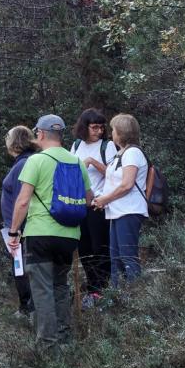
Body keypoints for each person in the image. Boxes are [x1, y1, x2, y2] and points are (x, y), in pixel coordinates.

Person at [7, 115, 92, 347]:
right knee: (60, 286)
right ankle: (65, 339)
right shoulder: (76, 162)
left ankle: (47, 346)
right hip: (69, 235)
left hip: (40, 235)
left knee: (42, 289)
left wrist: (13, 233)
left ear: (41, 134)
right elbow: (88, 199)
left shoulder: (36, 161)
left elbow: (23, 201)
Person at [91, 114, 148, 288]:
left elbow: (127, 185)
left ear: (122, 133)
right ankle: (118, 299)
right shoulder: (120, 154)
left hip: (129, 211)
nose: (111, 133)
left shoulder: (133, 153)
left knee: (128, 257)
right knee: (116, 258)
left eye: (114, 130)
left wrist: (104, 199)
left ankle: (135, 299)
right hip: (116, 212)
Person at [70, 109, 118, 307]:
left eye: (101, 127)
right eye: (94, 127)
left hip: (99, 204)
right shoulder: (77, 145)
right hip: (80, 204)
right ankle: (92, 286)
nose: (98, 131)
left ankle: (101, 287)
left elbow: (115, 174)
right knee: (84, 248)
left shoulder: (107, 146)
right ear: (85, 127)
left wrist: (91, 162)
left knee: (100, 247)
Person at [0, 126, 37, 315]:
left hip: (21, 229)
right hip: (16, 227)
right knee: (20, 267)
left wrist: (16, 229)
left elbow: (23, 199)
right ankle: (27, 307)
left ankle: (27, 309)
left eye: (8, 136)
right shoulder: (22, 162)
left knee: (21, 268)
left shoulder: (24, 164)